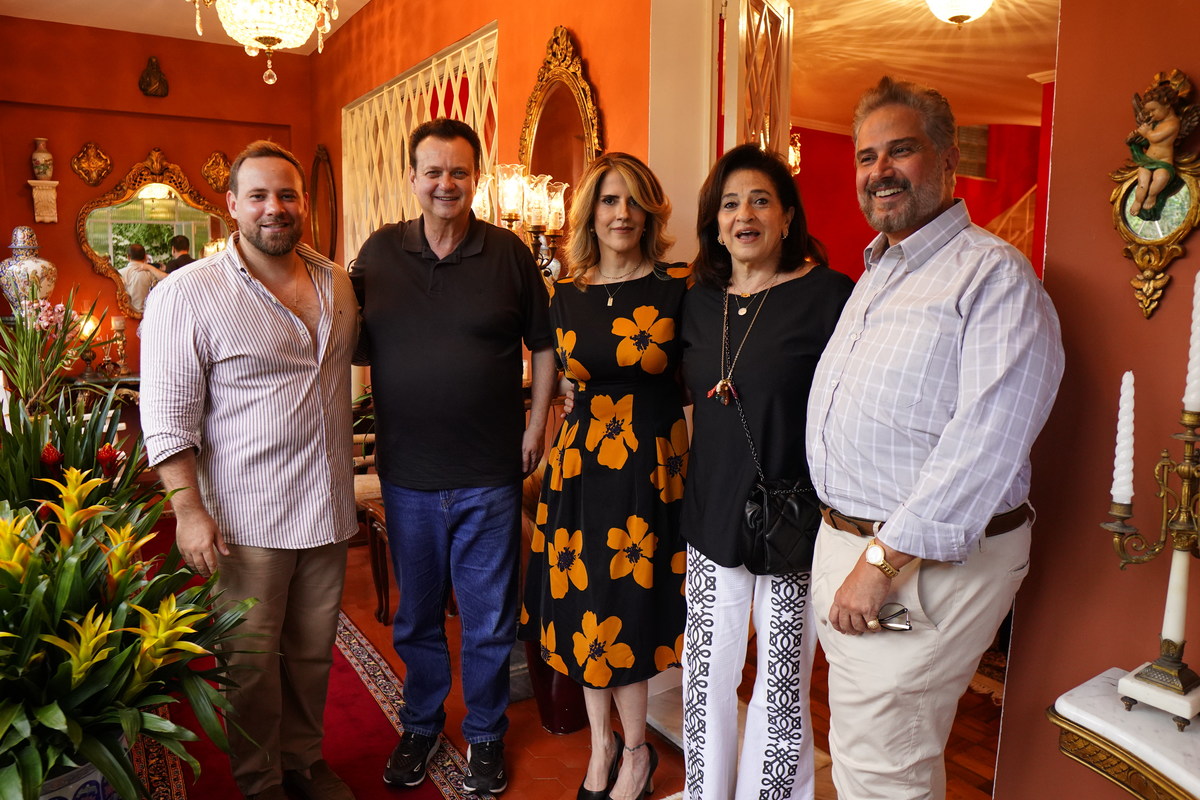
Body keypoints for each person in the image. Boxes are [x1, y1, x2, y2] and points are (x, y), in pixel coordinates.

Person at [807, 76, 1064, 800]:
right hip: (854, 547)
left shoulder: (993, 277)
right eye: (866, 157)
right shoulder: (877, 272)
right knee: (875, 750)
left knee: (883, 765)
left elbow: (986, 446)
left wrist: (880, 562)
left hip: (918, 566)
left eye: (901, 151)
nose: (879, 171)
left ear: (949, 159)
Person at [139, 140, 359, 800]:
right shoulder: (186, 294)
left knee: (313, 653)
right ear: (231, 205)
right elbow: (168, 415)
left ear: (304, 204)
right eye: (258, 195)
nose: (274, 208)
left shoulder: (337, 282)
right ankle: (261, 781)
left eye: (287, 195)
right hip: (246, 519)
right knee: (253, 662)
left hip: (327, 508)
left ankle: (304, 761)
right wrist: (188, 511)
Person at [350, 118, 554, 795]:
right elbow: (341, 336)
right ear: (412, 178)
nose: (446, 183)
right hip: (407, 475)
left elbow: (544, 344)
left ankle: (487, 735)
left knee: (489, 619)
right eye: (433, 171)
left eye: (459, 172)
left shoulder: (509, 254)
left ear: (476, 179)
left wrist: (538, 426)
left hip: (490, 474)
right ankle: (421, 723)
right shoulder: (378, 254)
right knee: (417, 619)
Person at [679, 143, 853, 800]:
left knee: (781, 687)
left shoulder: (828, 295)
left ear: (787, 216)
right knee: (705, 677)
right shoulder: (697, 300)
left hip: (793, 523)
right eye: (730, 204)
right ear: (714, 222)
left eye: (760, 201)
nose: (744, 216)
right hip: (711, 514)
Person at [518, 153, 688, 800]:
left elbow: (700, 384)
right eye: (610, 201)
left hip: (649, 473)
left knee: (631, 612)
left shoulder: (679, 288)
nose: (622, 213)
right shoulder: (565, 295)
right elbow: (557, 383)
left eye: (634, 201)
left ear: (651, 212)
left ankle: (637, 753)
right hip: (581, 472)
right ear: (591, 213)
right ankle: (602, 747)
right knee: (586, 610)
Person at [118, 242, 166, 312]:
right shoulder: (153, 273)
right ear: (145, 257)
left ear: (128, 257)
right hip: (148, 314)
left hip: (126, 314)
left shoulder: (119, 273)